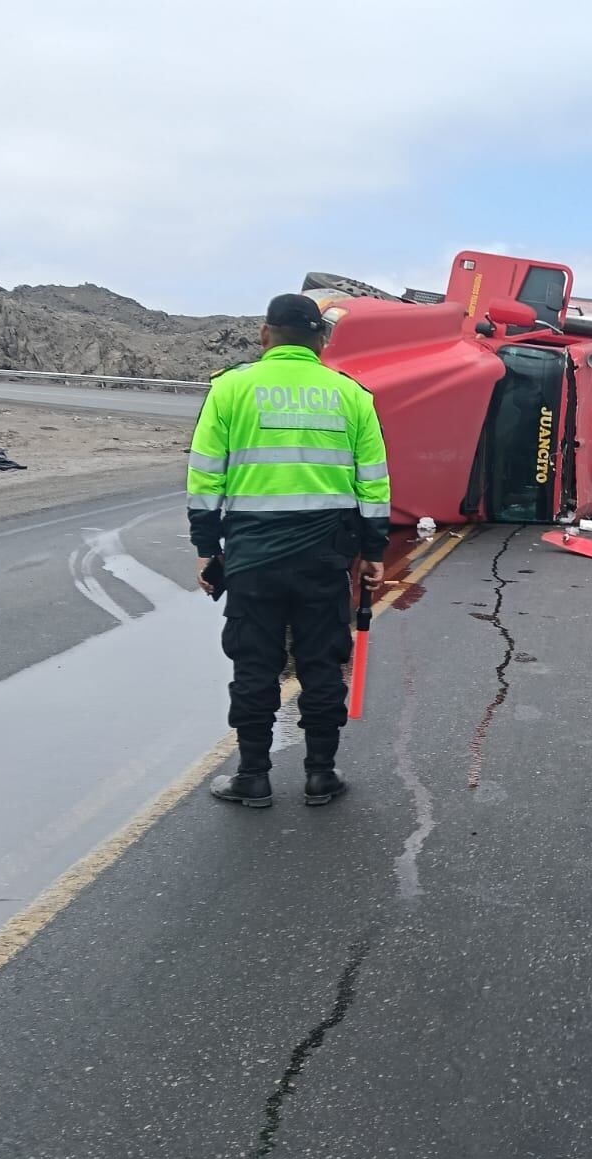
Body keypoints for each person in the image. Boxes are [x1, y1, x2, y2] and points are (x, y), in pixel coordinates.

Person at [187, 293, 391, 807]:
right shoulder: (352, 396)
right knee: (321, 662)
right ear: (322, 340)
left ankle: (253, 776)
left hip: (253, 553)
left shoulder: (230, 388)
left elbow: (205, 475)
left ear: (264, 334)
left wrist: (208, 548)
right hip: (325, 554)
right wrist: (372, 551)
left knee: (254, 664)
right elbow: (374, 484)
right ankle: (321, 774)